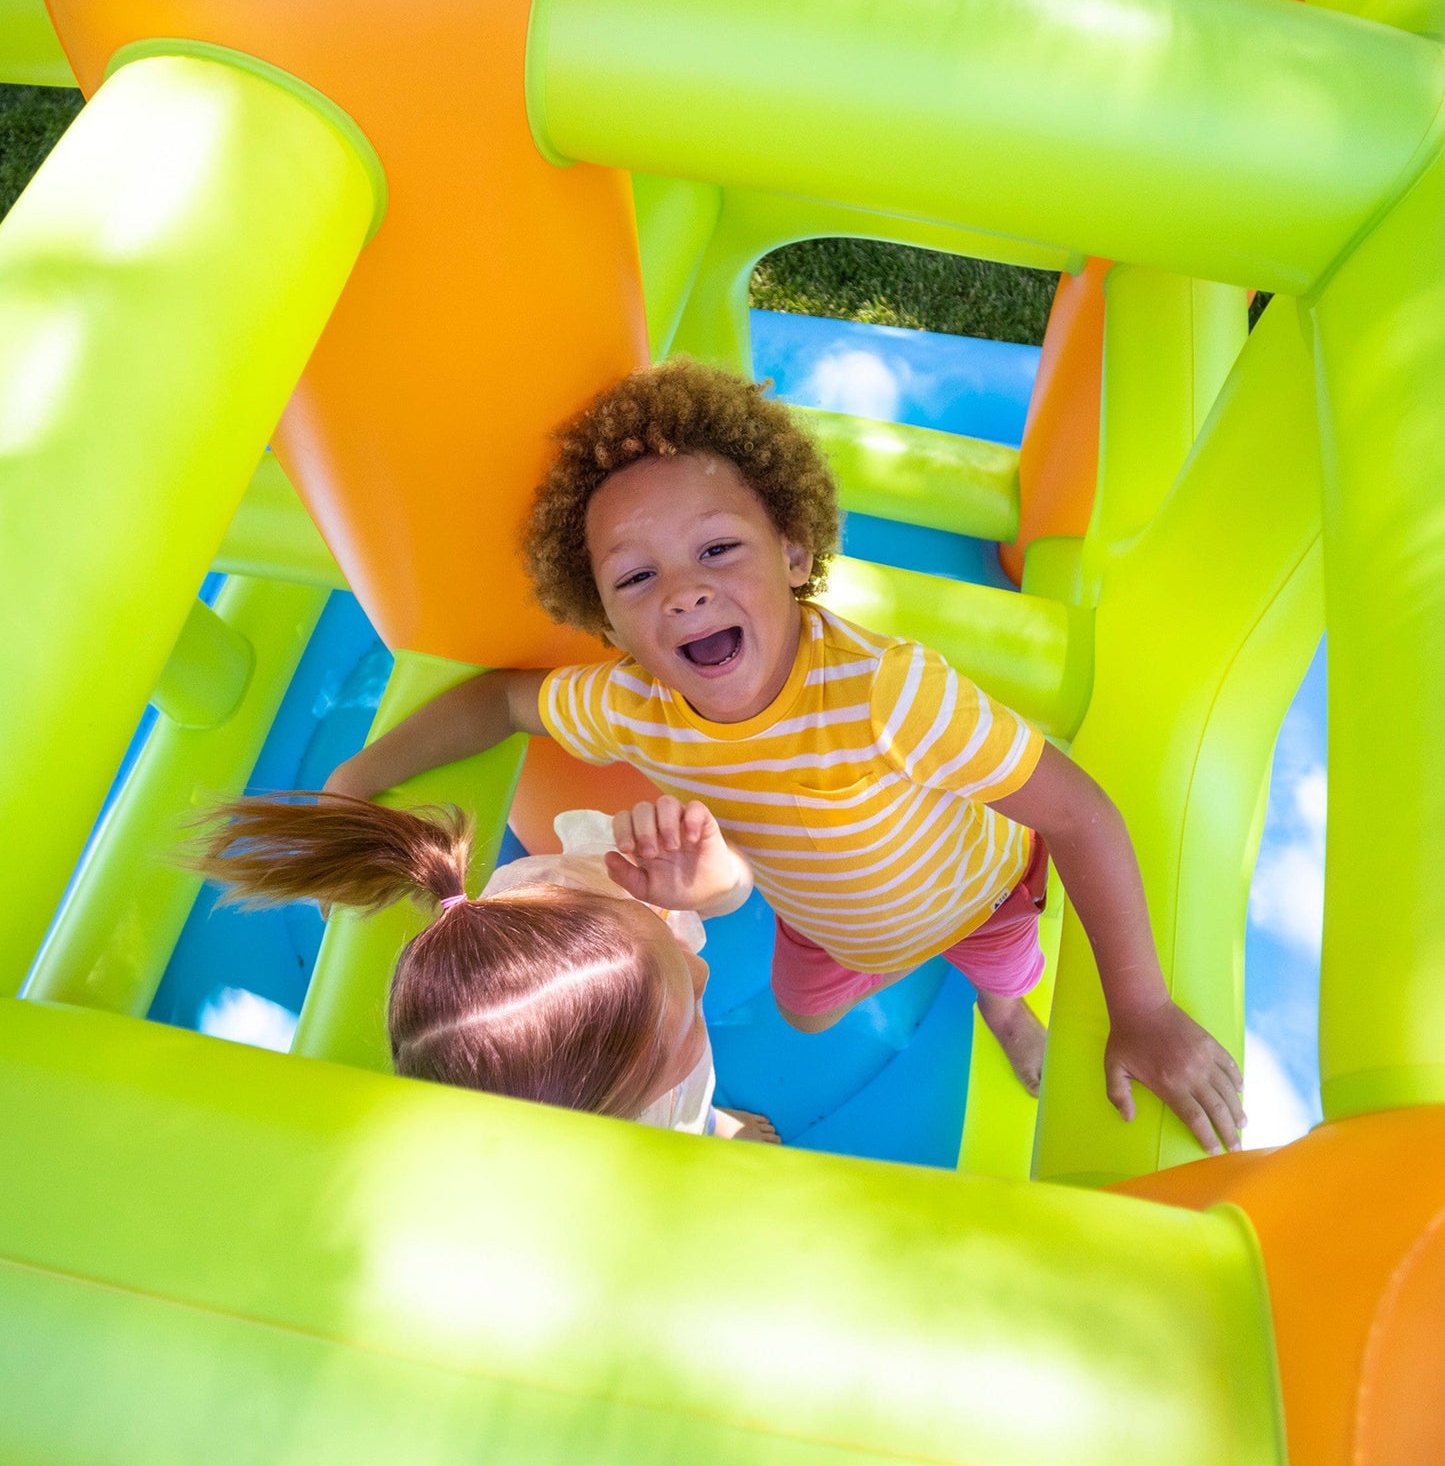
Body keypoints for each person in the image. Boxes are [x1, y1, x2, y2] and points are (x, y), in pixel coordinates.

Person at [327, 359, 1246, 1155]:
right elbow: (498, 702)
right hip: (824, 917)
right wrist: (357, 780)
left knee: (1007, 980)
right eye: (636, 576)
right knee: (805, 1011)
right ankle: (908, 964)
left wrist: (1142, 1010)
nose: (684, 591)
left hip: (974, 898)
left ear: (795, 553)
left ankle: (1002, 1011)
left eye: (718, 549)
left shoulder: (891, 696)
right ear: (606, 622)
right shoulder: (634, 705)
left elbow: (1078, 814)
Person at [185, 788, 779, 1140]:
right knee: (680, 1120)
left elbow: (718, 898)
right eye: (684, 1029)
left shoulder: (577, 896)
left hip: (643, 1087)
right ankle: (704, 1125)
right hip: (646, 1115)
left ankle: (706, 1114)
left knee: (687, 1095)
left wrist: (718, 882)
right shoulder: (591, 1150)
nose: (702, 971)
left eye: (668, 940)